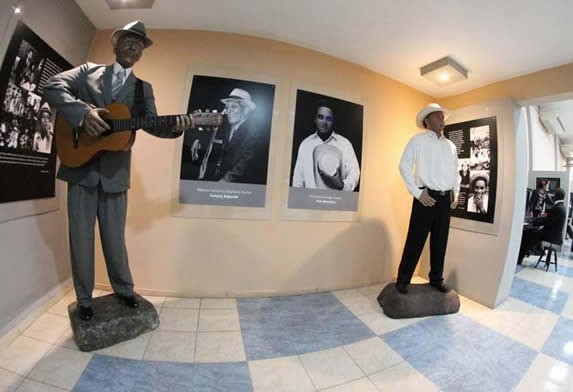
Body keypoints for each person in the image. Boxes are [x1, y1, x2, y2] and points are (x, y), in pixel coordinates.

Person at [44, 21, 192, 321]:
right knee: (80, 238)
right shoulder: (87, 71)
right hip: (79, 168)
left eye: (139, 45)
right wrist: (83, 114)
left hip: (115, 175)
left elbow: (151, 124)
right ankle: (84, 299)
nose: (134, 47)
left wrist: (175, 128)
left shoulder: (142, 89)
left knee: (114, 238)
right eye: (128, 41)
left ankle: (124, 290)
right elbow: (51, 85)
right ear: (116, 45)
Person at [395, 103, 459, 294]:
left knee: (440, 242)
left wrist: (455, 191)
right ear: (427, 120)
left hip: (445, 200)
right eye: (438, 116)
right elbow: (403, 166)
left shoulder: (451, 146)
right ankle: (403, 280)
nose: (442, 120)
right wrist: (417, 192)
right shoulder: (417, 141)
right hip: (425, 197)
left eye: (442, 117)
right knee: (415, 240)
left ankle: (436, 280)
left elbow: (456, 171)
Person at [190, 88, 260, 183]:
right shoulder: (227, 122)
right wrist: (197, 139)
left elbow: (242, 167)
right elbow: (203, 124)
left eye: (234, 107)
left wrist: (221, 184)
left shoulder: (252, 133)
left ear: (246, 110)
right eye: (227, 107)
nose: (228, 111)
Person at [292, 103, 360, 190]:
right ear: (315, 119)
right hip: (310, 201)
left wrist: (342, 185)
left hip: (337, 201)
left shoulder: (345, 144)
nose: (324, 122)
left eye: (328, 118)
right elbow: (298, 178)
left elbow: (355, 173)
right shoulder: (305, 144)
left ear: (333, 121)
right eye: (320, 117)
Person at [518, 187, 566, 264]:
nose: (552, 196)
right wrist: (535, 220)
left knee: (526, 234)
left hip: (550, 236)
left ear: (556, 196)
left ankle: (519, 258)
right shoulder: (560, 207)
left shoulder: (558, 208)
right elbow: (547, 218)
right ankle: (527, 252)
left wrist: (533, 222)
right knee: (530, 233)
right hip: (553, 235)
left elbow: (547, 220)